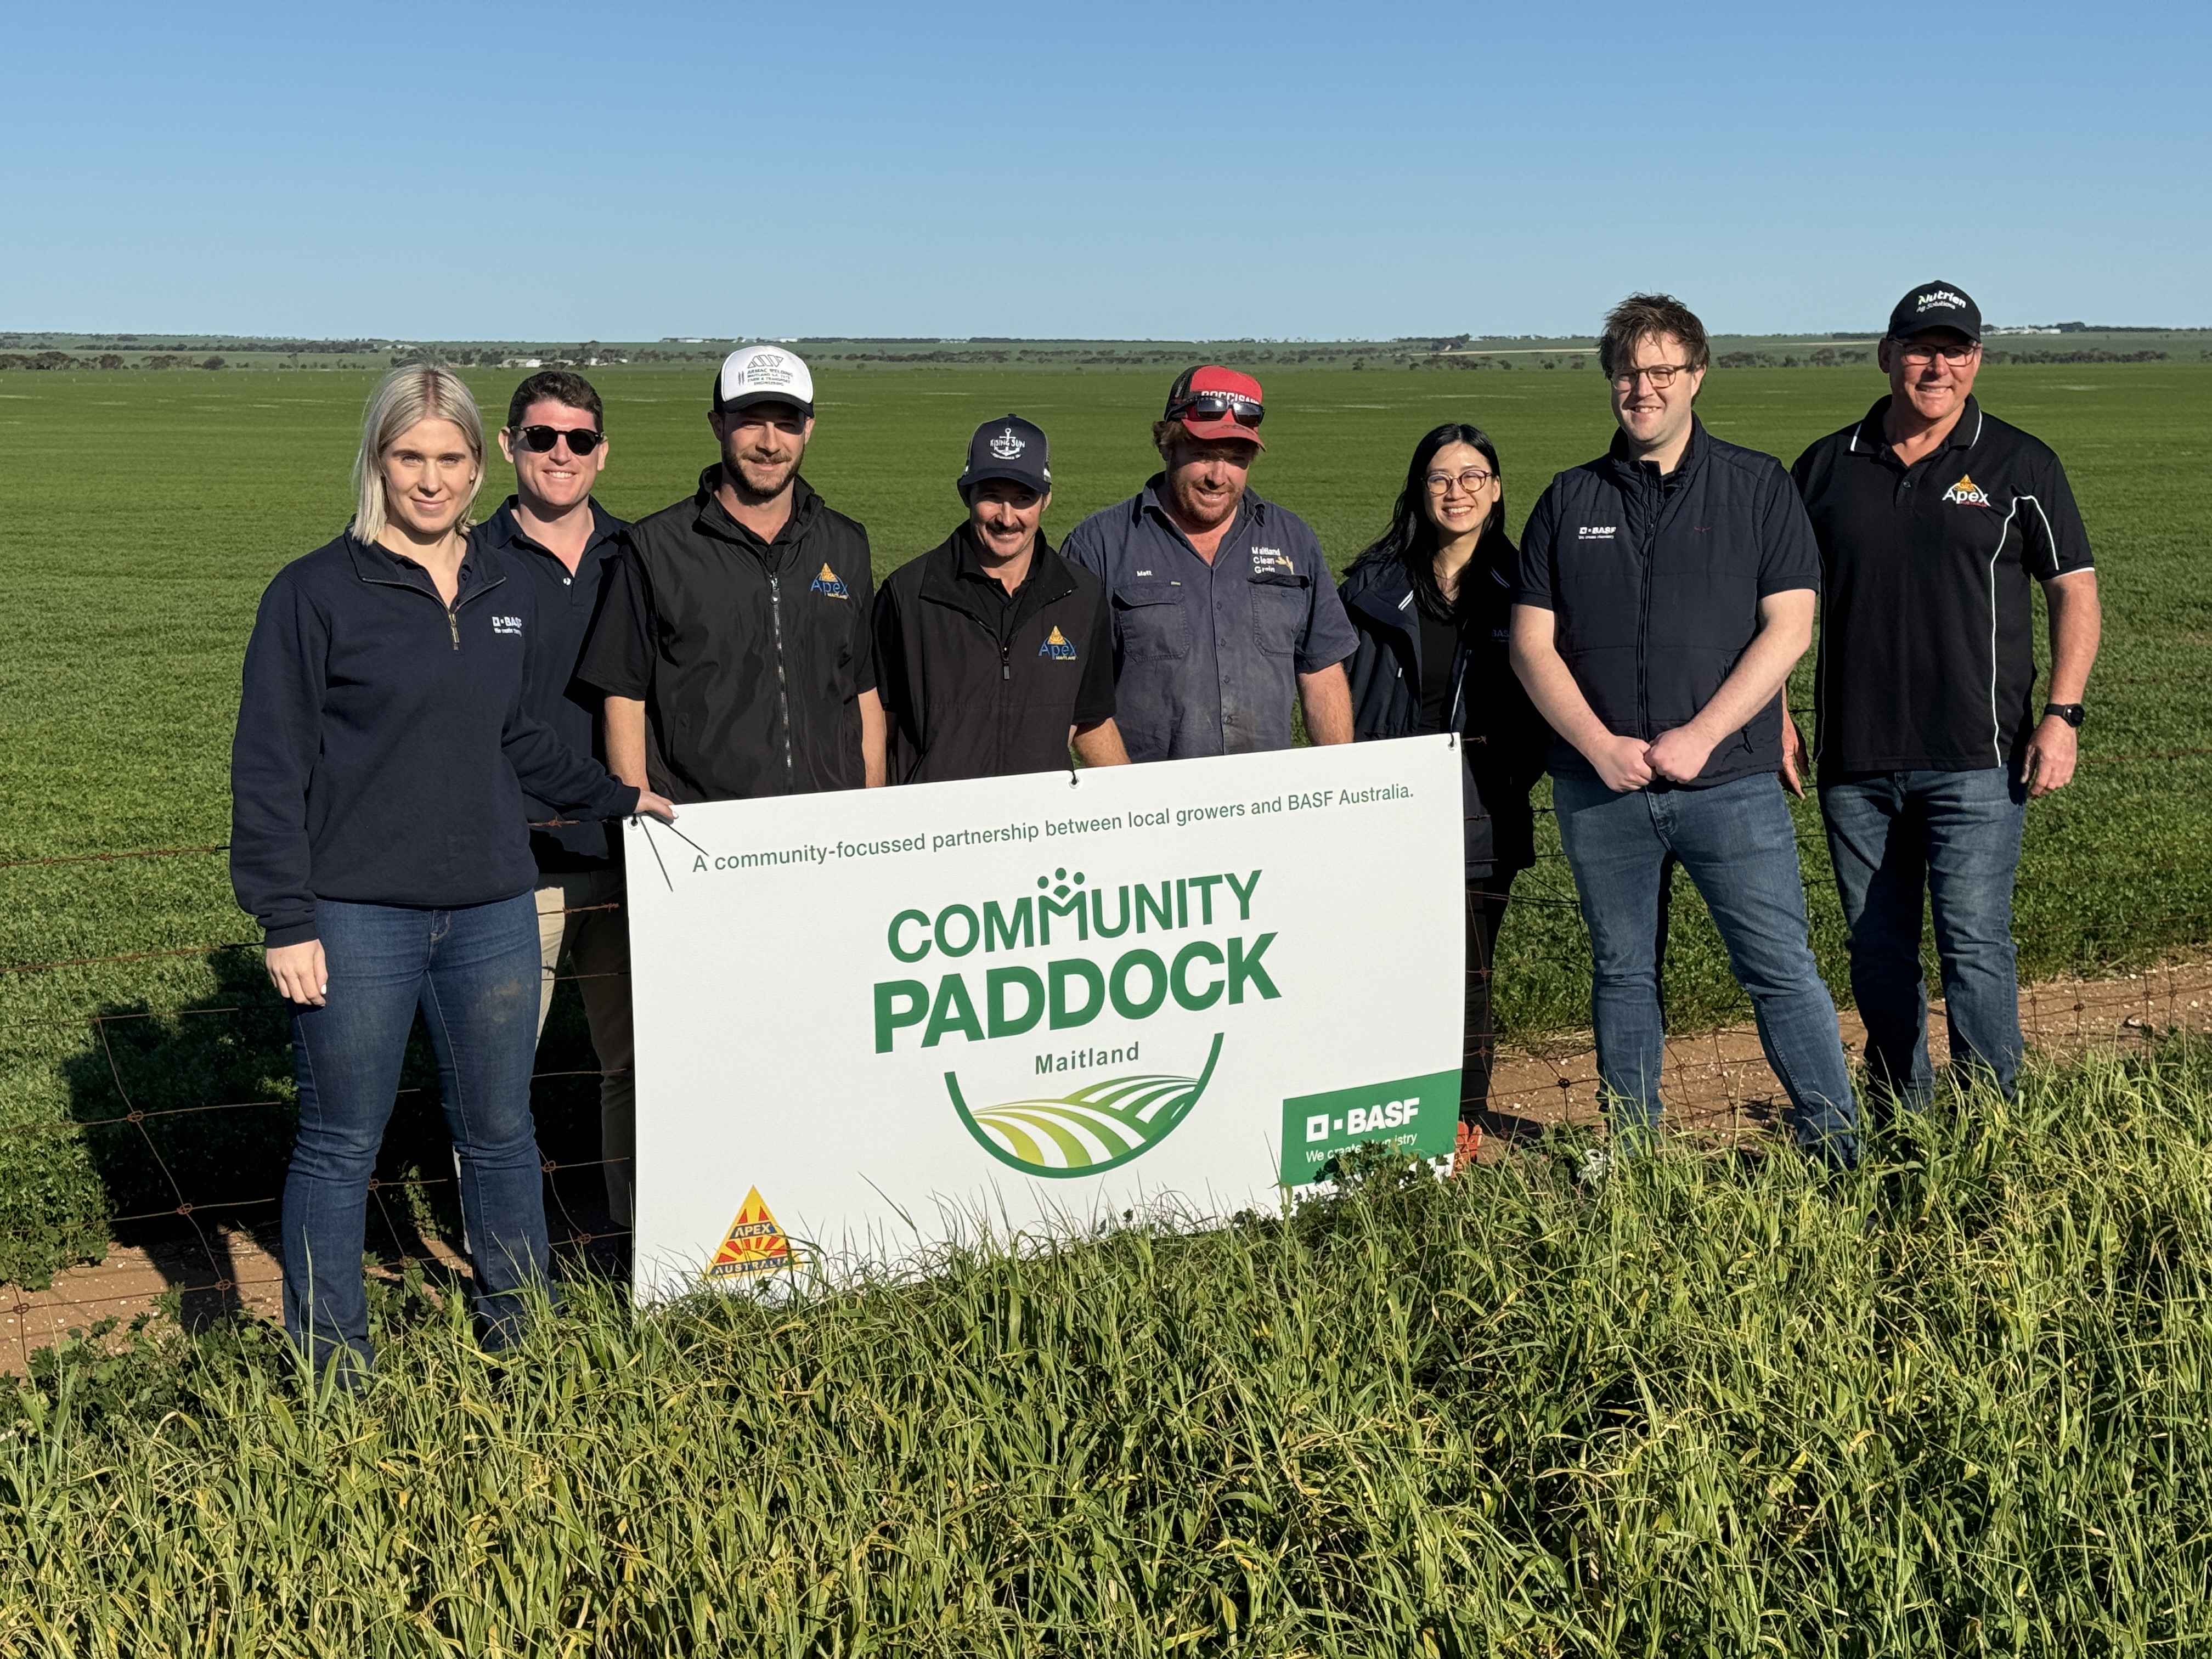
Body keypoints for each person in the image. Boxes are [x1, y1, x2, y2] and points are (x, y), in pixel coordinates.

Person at [230, 365, 676, 1379]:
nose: (429, 480)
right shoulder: (314, 591)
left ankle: (522, 1337)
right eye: (407, 457)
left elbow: (517, 733)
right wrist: (284, 915)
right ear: (376, 461)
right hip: (354, 916)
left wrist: (622, 797)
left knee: (502, 1131)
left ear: (480, 466)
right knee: (342, 1142)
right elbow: (269, 764)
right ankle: (332, 1366)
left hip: (491, 909)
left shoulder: (500, 585)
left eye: (449, 458)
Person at [1511, 294, 1858, 1166]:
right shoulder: (1569, 499)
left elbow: (1790, 627)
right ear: (1611, 382)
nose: (1645, 387)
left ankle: (1839, 1145)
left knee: (1777, 967)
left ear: (1697, 376)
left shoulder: (1757, 487)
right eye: (1630, 371)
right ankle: (1631, 1156)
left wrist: (1702, 735)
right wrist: (1597, 747)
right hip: (1601, 791)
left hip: (1730, 784)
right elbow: (1530, 644)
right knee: (1623, 973)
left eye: (1664, 370)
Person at [1789, 281, 2100, 1107]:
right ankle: (1903, 1115)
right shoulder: (1825, 466)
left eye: (1954, 349)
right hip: (1855, 762)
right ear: (1887, 355)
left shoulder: (2019, 462)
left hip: (1979, 758)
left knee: (1974, 946)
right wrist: (1776, 711)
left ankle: (1995, 1123)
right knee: (1877, 951)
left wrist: (2063, 717)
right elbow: (1779, 604)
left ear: (1977, 361)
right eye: (1920, 347)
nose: (1937, 365)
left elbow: (2074, 590)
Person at [1340, 424, 1544, 1161]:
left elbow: (1547, 703)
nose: (1455, 492)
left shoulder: (1526, 589)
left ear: (1494, 489)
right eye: (1439, 478)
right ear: (1419, 491)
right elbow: (1338, 693)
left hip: (1481, 812)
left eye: (1472, 476)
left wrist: (1506, 776)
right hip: (1385, 814)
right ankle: (1376, 1115)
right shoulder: (1370, 588)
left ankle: (1459, 1123)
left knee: (1468, 976)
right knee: (1381, 967)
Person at [475, 369, 639, 1231]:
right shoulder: (467, 557)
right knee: (500, 1082)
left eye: (579, 440)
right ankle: (507, 1270)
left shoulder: (638, 554)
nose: (560, 455)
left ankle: (639, 1247)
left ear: (602, 453)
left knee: (634, 1065)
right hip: (512, 865)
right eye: (541, 438)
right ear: (509, 447)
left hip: (621, 856)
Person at [579, 345, 886, 802]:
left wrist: (871, 803)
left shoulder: (846, 543)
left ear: (809, 430)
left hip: (828, 823)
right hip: (706, 832)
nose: (769, 443)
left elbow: (863, 690)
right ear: (718, 424)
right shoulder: (655, 547)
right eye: (750, 421)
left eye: (787, 423)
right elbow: (623, 698)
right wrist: (641, 812)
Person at [1062, 366, 1358, 760]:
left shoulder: (1292, 539)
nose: (1219, 477)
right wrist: (1131, 800)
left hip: (1266, 800)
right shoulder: (1100, 544)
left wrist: (1338, 781)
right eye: (1203, 455)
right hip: (1153, 803)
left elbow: (1320, 670)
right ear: (1168, 446)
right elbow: (1075, 690)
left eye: (1236, 458)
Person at [873, 414, 1128, 782]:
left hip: (1038, 825)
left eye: (1023, 498)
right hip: (934, 826)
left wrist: (1135, 807)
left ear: (1046, 499)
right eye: (992, 497)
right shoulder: (908, 594)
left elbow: (1090, 718)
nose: (1007, 518)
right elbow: (878, 725)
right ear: (966, 494)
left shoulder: (1082, 597)